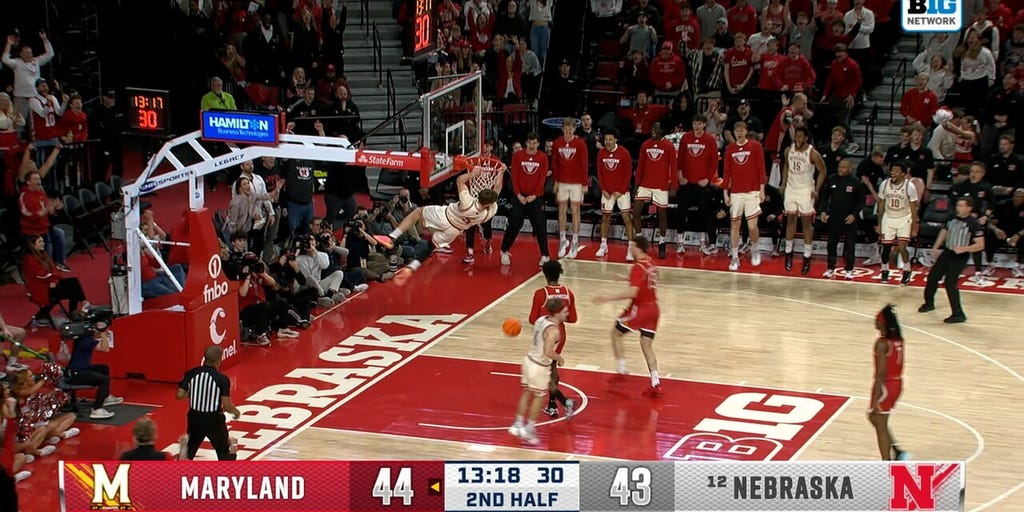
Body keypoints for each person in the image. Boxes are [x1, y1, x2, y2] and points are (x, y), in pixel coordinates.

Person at [379, 168, 502, 284]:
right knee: (431, 245)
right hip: (454, 231)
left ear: (479, 195)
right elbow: (496, 191)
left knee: (417, 213)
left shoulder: (467, 202)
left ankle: (392, 237)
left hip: (444, 217)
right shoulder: (487, 214)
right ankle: (412, 267)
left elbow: (459, 180)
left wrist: (472, 174)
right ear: (489, 204)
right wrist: (500, 174)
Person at [593, 236, 662, 397]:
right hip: (654, 309)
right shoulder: (651, 263)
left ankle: (622, 371)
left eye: (631, 246)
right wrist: (627, 278)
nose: (629, 249)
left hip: (640, 309)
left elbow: (633, 292)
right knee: (646, 345)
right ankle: (655, 382)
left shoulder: (637, 267)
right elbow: (649, 280)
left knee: (615, 333)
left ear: (637, 247)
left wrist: (607, 298)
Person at [508, 298, 570, 445]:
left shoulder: (541, 319)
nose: (567, 312)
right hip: (539, 366)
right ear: (557, 313)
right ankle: (529, 429)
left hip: (529, 360)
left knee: (526, 393)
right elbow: (548, 351)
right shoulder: (553, 330)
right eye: (565, 311)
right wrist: (559, 358)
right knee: (539, 397)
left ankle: (517, 424)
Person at [919, 197, 985, 323]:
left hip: (960, 256)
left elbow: (980, 245)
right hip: (947, 252)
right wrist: (935, 247)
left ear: (969, 208)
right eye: (957, 205)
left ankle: (958, 314)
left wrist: (964, 248)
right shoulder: (951, 217)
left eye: (961, 206)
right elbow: (944, 232)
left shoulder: (973, 224)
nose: (958, 208)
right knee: (932, 277)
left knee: (950, 283)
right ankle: (929, 303)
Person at [528, 261, 578, 418]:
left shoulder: (540, 293)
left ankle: (565, 402)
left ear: (545, 274)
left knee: (542, 371)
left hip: (546, 335)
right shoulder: (568, 292)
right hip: (560, 334)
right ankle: (552, 405)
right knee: (552, 366)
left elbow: (532, 319)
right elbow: (573, 319)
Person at [176, 345, 241, 460]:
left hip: (194, 418)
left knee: (189, 452)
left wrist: (195, 392)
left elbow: (179, 395)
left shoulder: (191, 373)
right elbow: (226, 406)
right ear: (219, 361)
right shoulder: (222, 379)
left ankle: (180, 473)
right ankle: (226, 475)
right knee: (223, 453)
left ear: (204, 358)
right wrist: (236, 412)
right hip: (214, 421)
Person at [500, 133, 552, 267]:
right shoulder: (518, 156)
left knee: (540, 226)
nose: (532, 146)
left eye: (534, 143)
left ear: (538, 144)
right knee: (515, 224)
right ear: (526, 143)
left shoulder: (543, 157)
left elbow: (542, 179)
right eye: (530, 143)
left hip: (535, 198)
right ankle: (504, 250)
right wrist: (518, 195)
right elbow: (515, 177)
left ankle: (545, 255)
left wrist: (535, 195)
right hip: (519, 197)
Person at [780, 126, 827, 274]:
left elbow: (823, 171)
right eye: (796, 136)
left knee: (806, 223)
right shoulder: (789, 150)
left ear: (806, 138)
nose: (798, 139)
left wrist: (816, 189)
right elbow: (786, 165)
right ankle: (788, 252)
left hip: (806, 189)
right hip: (791, 188)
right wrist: (783, 183)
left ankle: (807, 255)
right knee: (790, 220)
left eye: (800, 136)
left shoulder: (813, 153)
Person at [868, 304, 911, 462]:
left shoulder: (882, 343)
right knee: (875, 419)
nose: (874, 322)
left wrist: (875, 398)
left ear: (883, 323)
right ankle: (897, 450)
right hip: (897, 383)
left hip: (886, 386)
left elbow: (880, 373)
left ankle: (886, 464)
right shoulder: (898, 340)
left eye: (877, 320)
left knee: (880, 425)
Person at [722, 121, 766, 271]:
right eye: (737, 131)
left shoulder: (755, 146)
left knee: (752, 225)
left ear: (746, 131)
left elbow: (761, 169)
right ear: (734, 132)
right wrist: (725, 192)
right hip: (736, 192)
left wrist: (762, 189)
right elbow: (726, 172)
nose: (739, 133)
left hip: (752, 191)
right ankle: (735, 257)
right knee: (735, 224)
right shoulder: (730, 149)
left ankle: (755, 248)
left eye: (742, 130)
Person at [632, 122, 677, 259]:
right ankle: (640, 241)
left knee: (662, 215)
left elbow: (673, 167)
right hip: (645, 184)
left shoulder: (669, 146)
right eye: (652, 128)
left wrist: (674, 186)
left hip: (661, 186)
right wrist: (636, 185)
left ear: (662, 130)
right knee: (636, 212)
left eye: (656, 128)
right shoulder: (645, 145)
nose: (653, 130)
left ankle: (662, 242)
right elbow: (640, 166)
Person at [65, 320, 122, 419]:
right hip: (76, 374)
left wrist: (102, 333)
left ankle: (105, 397)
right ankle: (96, 409)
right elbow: (105, 348)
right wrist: (103, 333)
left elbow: (98, 339)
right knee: (104, 380)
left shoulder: (83, 338)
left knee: (104, 368)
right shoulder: (86, 341)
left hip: (79, 369)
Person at [818, 159, 866, 278]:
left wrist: (854, 215)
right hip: (834, 217)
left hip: (849, 219)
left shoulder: (856, 182)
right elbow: (824, 196)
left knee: (850, 245)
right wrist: (823, 211)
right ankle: (830, 268)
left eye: (844, 167)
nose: (840, 169)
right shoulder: (831, 179)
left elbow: (861, 201)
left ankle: (849, 269)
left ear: (850, 169)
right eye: (840, 167)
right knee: (831, 244)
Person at [876, 161, 920, 285]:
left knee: (901, 247)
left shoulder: (909, 187)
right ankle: (885, 270)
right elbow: (881, 205)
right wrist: (879, 224)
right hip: (888, 217)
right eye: (892, 170)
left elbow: (913, 208)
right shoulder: (884, 185)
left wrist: (913, 227)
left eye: (896, 170)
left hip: (904, 218)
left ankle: (907, 270)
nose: (893, 173)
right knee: (885, 248)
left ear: (904, 174)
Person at [552, 119, 589, 259]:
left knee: (575, 210)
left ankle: (574, 240)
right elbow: (554, 163)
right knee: (561, 210)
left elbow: (584, 164)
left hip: (577, 183)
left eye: (570, 128)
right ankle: (563, 239)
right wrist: (555, 180)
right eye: (565, 128)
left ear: (574, 129)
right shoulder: (557, 143)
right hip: (561, 182)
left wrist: (584, 183)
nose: (568, 131)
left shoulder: (580, 143)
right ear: (562, 129)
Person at [596, 129, 635, 259]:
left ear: (615, 140)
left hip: (621, 192)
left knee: (627, 219)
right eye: (606, 139)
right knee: (605, 218)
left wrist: (621, 190)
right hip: (607, 192)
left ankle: (630, 248)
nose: (607, 142)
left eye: (610, 139)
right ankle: (603, 245)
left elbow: (628, 173)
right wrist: (603, 189)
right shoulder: (601, 153)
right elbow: (599, 173)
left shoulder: (624, 153)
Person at [120, 417, 188, 460]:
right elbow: (178, 473)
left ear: (135, 438)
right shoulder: (164, 457)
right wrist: (183, 448)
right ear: (154, 436)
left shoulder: (125, 457)